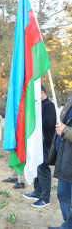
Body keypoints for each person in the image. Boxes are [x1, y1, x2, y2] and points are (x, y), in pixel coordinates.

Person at [23, 85, 56, 208]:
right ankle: (37, 192)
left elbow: (49, 123)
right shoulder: (38, 105)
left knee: (43, 169)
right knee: (36, 167)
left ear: (42, 92)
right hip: (36, 143)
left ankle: (45, 198)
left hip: (45, 144)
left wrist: (35, 119)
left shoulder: (49, 105)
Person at [47, 96, 72, 229]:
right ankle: (68, 224)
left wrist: (65, 131)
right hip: (65, 161)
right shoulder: (70, 101)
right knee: (62, 195)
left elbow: (65, 130)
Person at [0, 106, 26, 189]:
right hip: (14, 132)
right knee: (13, 155)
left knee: (19, 156)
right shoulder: (15, 101)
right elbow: (11, 114)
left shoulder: (25, 100)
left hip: (21, 133)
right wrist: (0, 112)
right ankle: (13, 177)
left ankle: (21, 181)